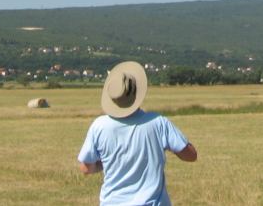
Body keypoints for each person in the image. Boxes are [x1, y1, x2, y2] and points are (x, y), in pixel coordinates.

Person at [77, 60, 197, 205]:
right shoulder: (158, 122)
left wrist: (103, 164)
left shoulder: (99, 126)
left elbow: (85, 168)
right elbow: (191, 155)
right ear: (137, 93)